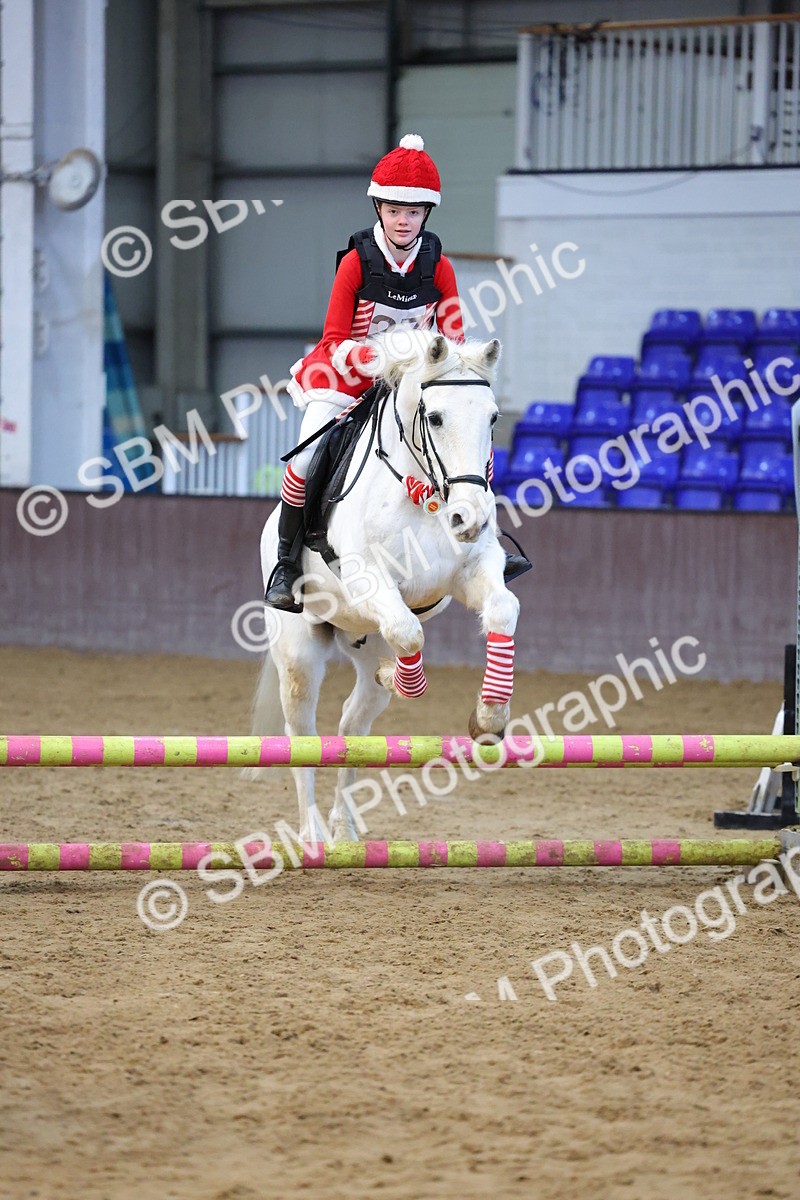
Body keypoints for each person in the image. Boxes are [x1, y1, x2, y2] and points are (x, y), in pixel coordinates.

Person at [265, 133, 528, 612]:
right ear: (379, 209)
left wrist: (444, 371)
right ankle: (287, 562)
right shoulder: (355, 263)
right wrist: (380, 359)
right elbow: (332, 340)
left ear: (426, 214)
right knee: (304, 459)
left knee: (468, 435)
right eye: (392, 210)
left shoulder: (439, 267)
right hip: (349, 376)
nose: (402, 221)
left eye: (412, 212)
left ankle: (485, 537)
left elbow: (451, 341)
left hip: (411, 384)